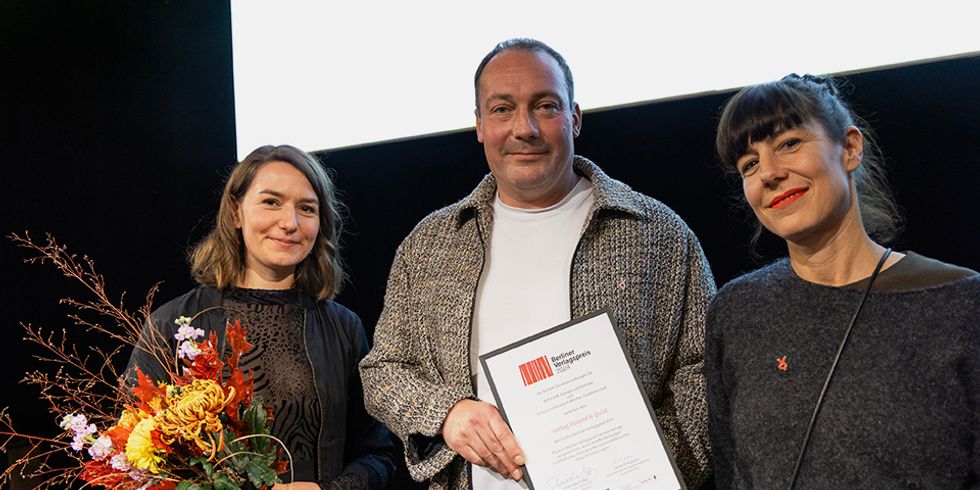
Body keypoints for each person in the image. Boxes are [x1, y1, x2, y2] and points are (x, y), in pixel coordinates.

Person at [359, 38, 715, 489]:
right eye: (502, 109)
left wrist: (651, 464)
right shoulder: (429, 244)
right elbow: (383, 371)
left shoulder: (657, 232)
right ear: (479, 125)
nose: (524, 128)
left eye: (545, 106)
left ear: (575, 118)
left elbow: (707, 370)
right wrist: (447, 412)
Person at [706, 74, 980, 488]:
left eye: (789, 144)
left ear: (850, 148)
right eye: (749, 164)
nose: (769, 174)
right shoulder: (736, 313)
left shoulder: (959, 303)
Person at [127, 145, 397, 489]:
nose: (290, 223)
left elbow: (378, 454)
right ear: (235, 213)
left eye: (307, 208)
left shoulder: (344, 328)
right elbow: (134, 455)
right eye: (271, 202)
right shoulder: (174, 323)